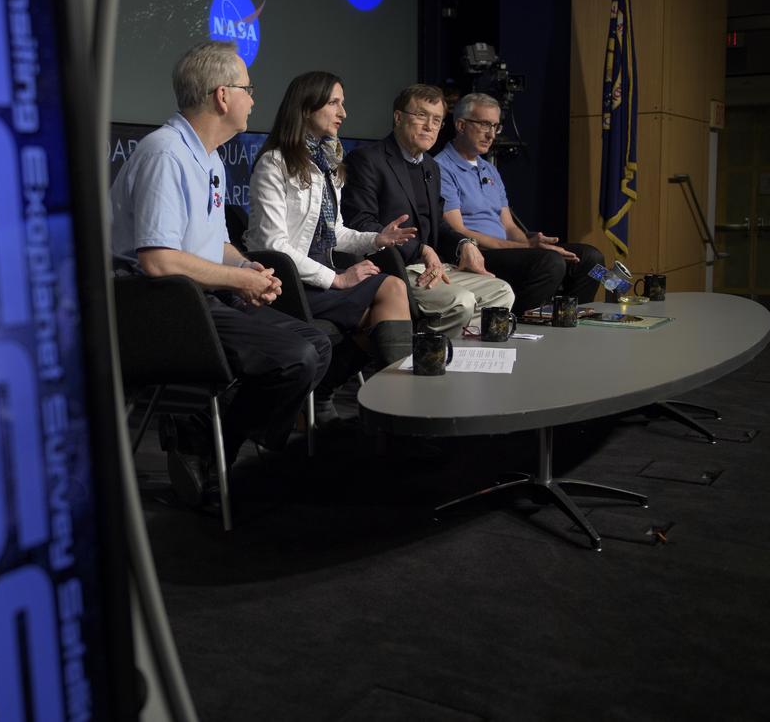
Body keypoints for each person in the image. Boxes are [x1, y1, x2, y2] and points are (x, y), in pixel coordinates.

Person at [109, 40, 331, 507]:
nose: (254, 99)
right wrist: (238, 282)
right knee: (295, 358)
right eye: (248, 89)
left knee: (316, 344)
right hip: (159, 310)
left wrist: (247, 267)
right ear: (222, 96)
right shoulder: (165, 155)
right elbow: (158, 261)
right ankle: (210, 448)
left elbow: (213, 244)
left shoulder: (207, 157)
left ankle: (205, 441)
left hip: (195, 299)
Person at [244, 71, 418, 422]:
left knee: (385, 309)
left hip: (318, 277)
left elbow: (332, 232)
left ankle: (366, 407)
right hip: (287, 285)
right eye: (334, 103)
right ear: (306, 108)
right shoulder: (274, 163)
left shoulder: (326, 163)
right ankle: (401, 418)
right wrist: (337, 280)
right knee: (392, 293)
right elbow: (270, 244)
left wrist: (375, 240)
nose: (343, 112)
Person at [341, 84, 514, 332]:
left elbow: (439, 225)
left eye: (437, 120)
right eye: (421, 116)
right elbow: (361, 225)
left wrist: (464, 244)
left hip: (434, 267)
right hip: (395, 268)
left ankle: (463, 354)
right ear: (398, 117)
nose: (430, 126)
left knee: (501, 292)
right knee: (460, 302)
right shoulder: (368, 160)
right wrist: (420, 249)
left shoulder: (431, 167)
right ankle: (430, 357)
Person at [434, 92, 605, 313]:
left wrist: (529, 242)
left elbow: (509, 226)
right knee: (550, 262)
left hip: (508, 250)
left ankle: (571, 316)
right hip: (475, 254)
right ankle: (523, 324)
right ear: (460, 125)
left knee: (591, 258)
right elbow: (458, 231)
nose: (491, 134)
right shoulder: (441, 167)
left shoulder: (489, 169)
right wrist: (528, 247)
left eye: (496, 126)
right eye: (485, 125)